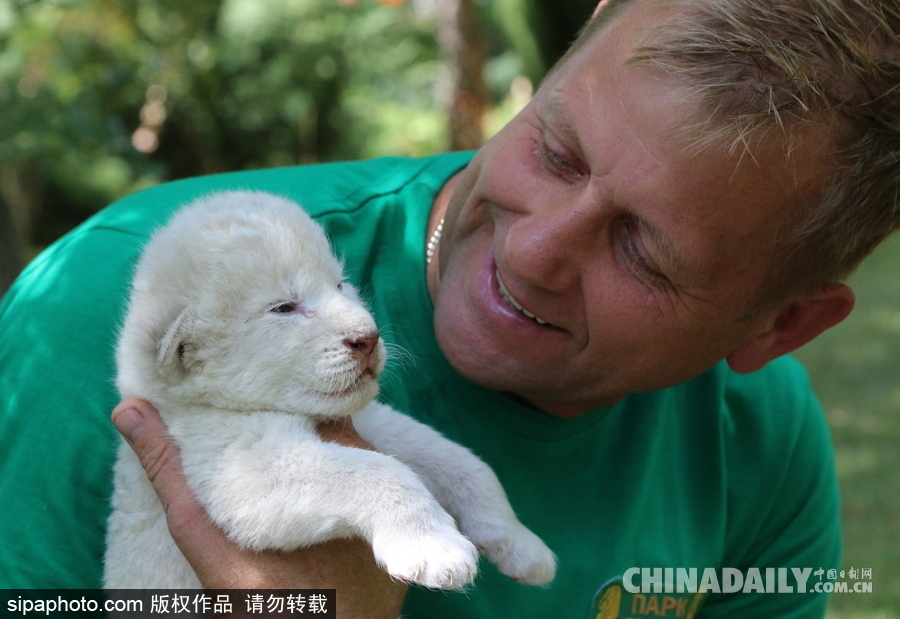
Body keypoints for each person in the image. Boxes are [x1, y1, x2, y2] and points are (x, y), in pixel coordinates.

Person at [0, 0, 897, 616]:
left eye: (644, 250)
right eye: (558, 151)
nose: (535, 250)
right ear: (574, 48)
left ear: (778, 327)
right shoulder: (112, 316)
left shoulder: (758, 448)